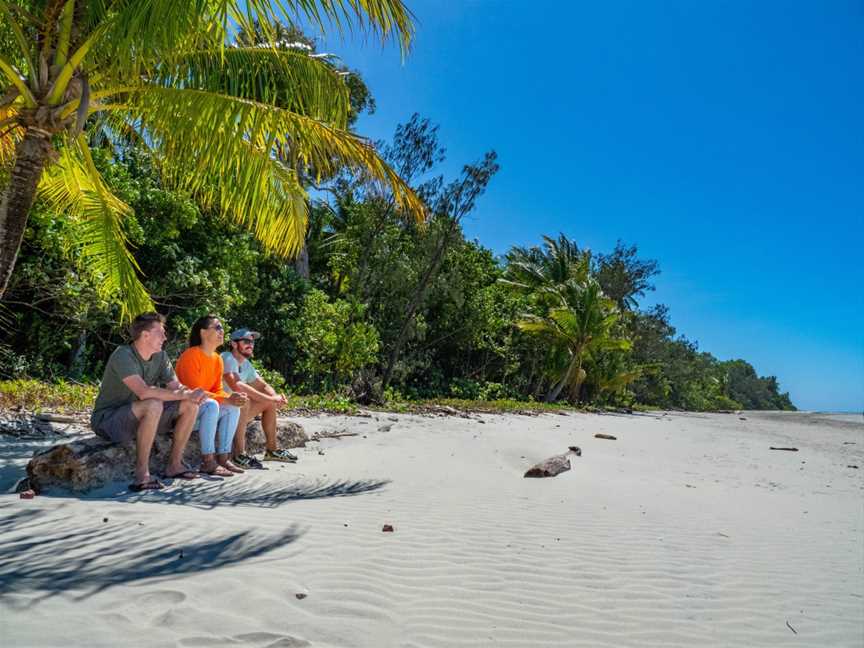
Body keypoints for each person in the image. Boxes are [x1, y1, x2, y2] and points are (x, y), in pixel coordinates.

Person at [91, 312, 205, 492]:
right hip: (109, 420)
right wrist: (184, 394)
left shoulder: (161, 357)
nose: (165, 337)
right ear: (145, 335)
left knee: (190, 405)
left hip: (141, 417)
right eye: (161, 332)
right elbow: (143, 392)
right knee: (153, 403)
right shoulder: (123, 355)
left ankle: (174, 465)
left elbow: (176, 386)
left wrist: (192, 394)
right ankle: (141, 475)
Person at [176, 315, 248, 477]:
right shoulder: (191, 355)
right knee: (211, 404)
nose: (222, 331)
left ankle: (223, 458)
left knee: (232, 407)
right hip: (187, 414)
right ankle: (208, 461)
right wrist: (226, 398)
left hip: (205, 411)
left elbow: (217, 390)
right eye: (217, 327)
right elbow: (194, 393)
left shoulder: (217, 359)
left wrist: (232, 398)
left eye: (222, 328)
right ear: (203, 332)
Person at [221, 328, 298, 468]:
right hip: (220, 410)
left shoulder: (245, 364)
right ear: (233, 344)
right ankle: (239, 455)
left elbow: (263, 385)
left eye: (252, 341)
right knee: (244, 399)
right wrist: (271, 398)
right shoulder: (227, 357)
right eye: (246, 341)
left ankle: (272, 450)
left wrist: (276, 398)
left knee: (269, 404)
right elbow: (237, 386)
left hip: (235, 413)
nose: (251, 344)